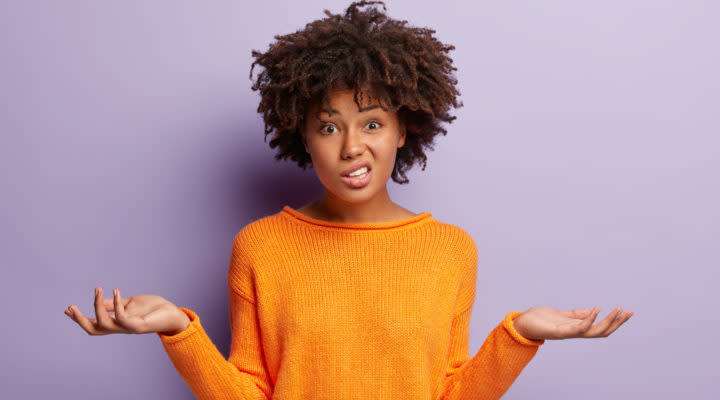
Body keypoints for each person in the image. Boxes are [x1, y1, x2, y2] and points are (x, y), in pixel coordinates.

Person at [64, 1, 634, 399]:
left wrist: (521, 334)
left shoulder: (450, 250)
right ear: (302, 134)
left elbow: (451, 393)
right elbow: (249, 392)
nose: (353, 147)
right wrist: (177, 331)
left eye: (373, 123)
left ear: (404, 130)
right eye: (329, 126)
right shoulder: (260, 246)